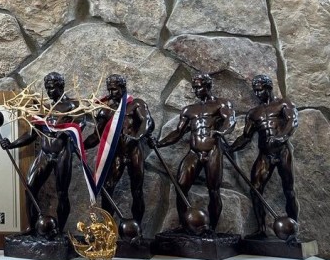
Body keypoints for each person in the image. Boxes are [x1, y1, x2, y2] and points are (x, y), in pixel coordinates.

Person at [155, 73, 236, 231]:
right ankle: (184, 225)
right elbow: (178, 133)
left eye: (199, 86)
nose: (197, 90)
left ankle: (212, 228)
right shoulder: (189, 110)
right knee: (181, 186)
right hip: (194, 152)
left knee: (213, 190)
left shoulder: (221, 104)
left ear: (208, 86)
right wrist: (159, 143)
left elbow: (230, 120)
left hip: (213, 150)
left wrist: (222, 132)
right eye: (195, 87)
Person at [0, 71, 78, 234]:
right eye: (47, 88)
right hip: (44, 153)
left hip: (62, 153)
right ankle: (31, 227)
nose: (50, 92)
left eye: (53, 88)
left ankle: (61, 230)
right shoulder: (45, 108)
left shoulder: (72, 106)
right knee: (30, 187)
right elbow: (31, 134)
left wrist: (67, 132)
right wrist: (11, 144)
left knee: (62, 193)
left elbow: (80, 125)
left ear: (61, 86)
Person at [228, 74, 299, 236]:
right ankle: (261, 229)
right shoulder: (254, 113)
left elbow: (292, 122)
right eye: (255, 91)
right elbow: (246, 137)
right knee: (256, 189)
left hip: (282, 152)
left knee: (289, 190)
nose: (258, 94)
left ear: (268, 88)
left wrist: (280, 137)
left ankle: (294, 228)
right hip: (264, 155)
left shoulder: (283, 104)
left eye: (260, 90)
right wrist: (231, 148)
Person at [85, 74, 154, 226]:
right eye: (109, 90)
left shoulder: (136, 104)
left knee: (136, 190)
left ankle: (137, 227)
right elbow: (95, 137)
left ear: (123, 88)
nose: (111, 93)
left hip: (134, 152)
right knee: (107, 187)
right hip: (116, 154)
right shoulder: (106, 110)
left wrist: (136, 137)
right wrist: (80, 145)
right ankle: (108, 228)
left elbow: (148, 123)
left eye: (114, 89)